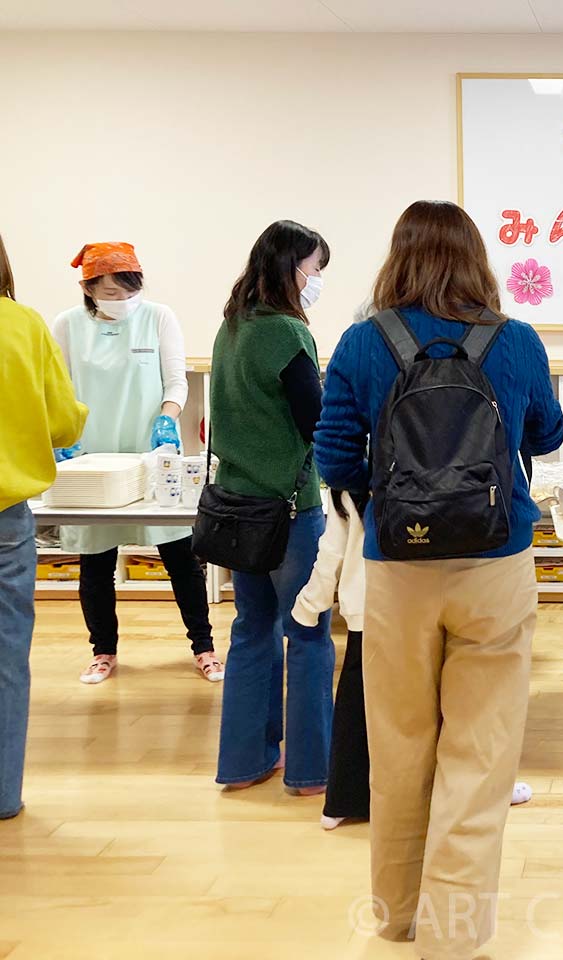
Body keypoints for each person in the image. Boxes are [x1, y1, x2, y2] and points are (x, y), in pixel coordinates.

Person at [314, 200, 563, 955]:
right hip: (495, 563)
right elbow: (546, 433)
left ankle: (396, 917)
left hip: (398, 568)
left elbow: (331, 455)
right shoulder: (514, 341)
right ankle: (453, 937)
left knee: (399, 747)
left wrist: (394, 498)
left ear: (400, 257)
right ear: (476, 259)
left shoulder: (363, 342)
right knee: (479, 757)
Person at [291, 488, 536, 831]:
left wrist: (310, 604)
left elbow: (332, 549)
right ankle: (476, 792)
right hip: (434, 594)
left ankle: (342, 802)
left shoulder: (353, 474)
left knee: (362, 707)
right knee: (455, 705)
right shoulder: (445, 462)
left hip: (368, 605)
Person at [51, 243, 221, 685]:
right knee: (95, 560)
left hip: (152, 455)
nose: (121, 301)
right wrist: (63, 437)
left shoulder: (158, 316)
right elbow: (61, 389)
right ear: (88, 289)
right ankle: (103, 651)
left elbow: (176, 379)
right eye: (108, 292)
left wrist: (167, 418)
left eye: (127, 291)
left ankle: (203, 646)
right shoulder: (66, 326)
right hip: (93, 461)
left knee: (180, 555)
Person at [210, 220, 334, 795]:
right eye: (313, 269)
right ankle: (312, 770)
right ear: (289, 268)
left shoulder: (231, 327)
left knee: (250, 629)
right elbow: (316, 422)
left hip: (236, 507)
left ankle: (243, 762)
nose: (315, 281)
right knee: (307, 632)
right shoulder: (288, 333)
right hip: (288, 511)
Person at [0, 232, 88, 819]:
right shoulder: (24, 325)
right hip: (5, 517)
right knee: (6, 660)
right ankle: (3, 795)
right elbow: (61, 424)